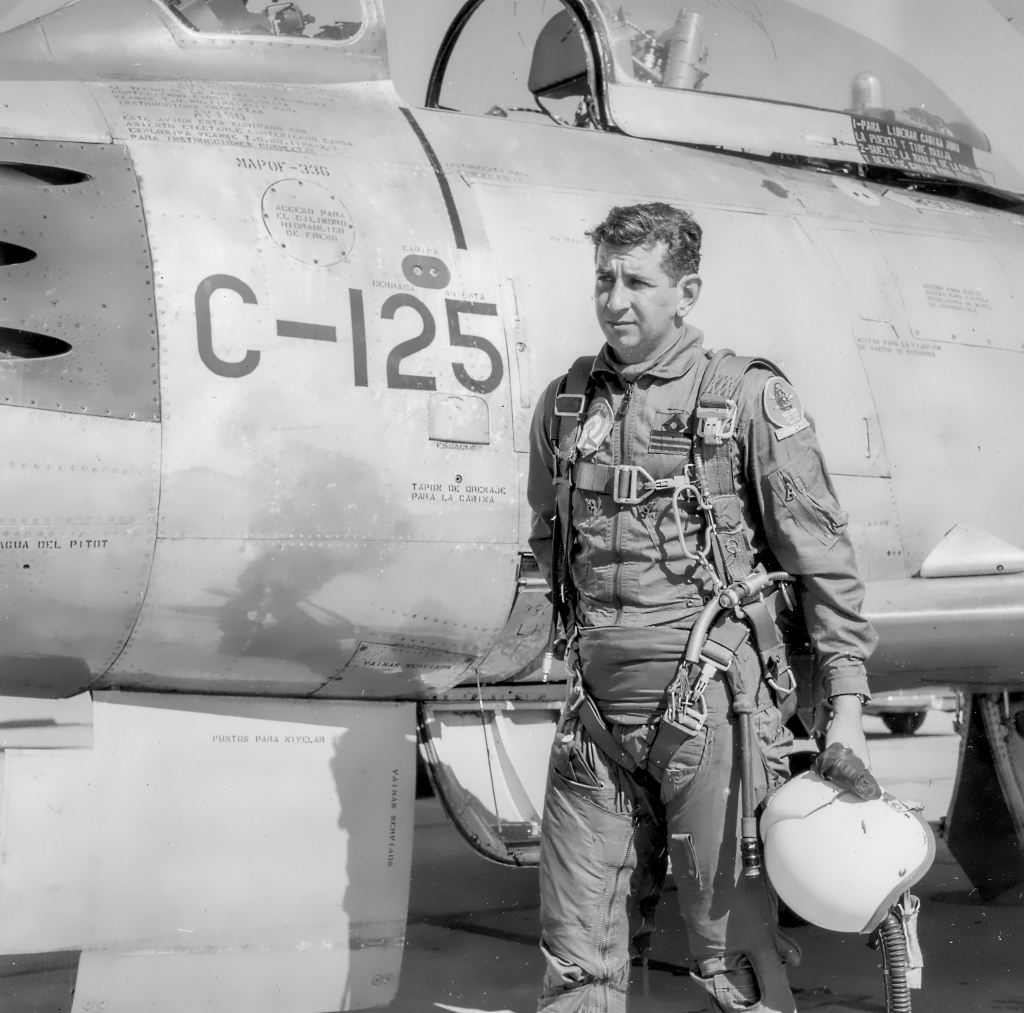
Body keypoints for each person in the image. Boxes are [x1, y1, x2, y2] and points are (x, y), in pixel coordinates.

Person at [527, 203, 878, 1013]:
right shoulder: (567, 404)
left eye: (637, 281)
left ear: (686, 291)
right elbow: (548, 541)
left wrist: (849, 712)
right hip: (595, 722)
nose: (615, 299)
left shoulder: (747, 398)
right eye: (604, 279)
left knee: (733, 963)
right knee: (577, 964)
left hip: (714, 716)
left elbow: (823, 561)